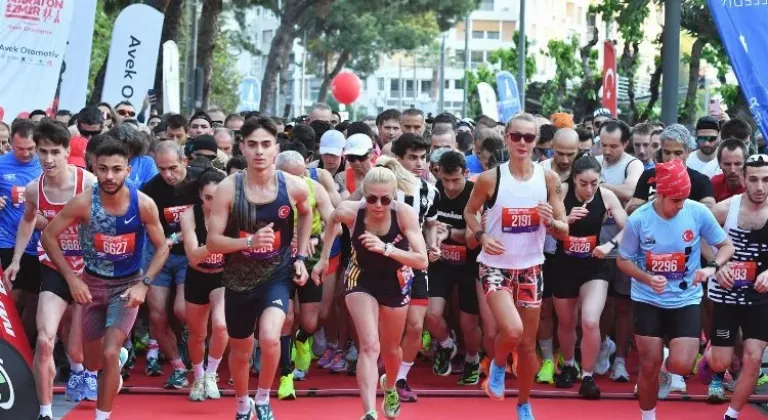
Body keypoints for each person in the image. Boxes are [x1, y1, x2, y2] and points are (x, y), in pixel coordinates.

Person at [40, 138, 169, 420]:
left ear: (128, 170)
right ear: (93, 169)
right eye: (103, 169)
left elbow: (162, 247)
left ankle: (102, 416)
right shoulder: (83, 202)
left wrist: (143, 284)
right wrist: (72, 280)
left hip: (126, 288)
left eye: (116, 169)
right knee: (90, 360)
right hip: (92, 285)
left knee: (109, 354)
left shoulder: (143, 204)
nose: (109, 176)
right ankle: (118, 361)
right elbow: (48, 235)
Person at [206, 116, 312, 420]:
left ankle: (263, 398)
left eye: (266, 145)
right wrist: (248, 242)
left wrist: (301, 256)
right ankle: (242, 403)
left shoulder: (292, 186)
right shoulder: (228, 189)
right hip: (238, 279)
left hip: (277, 274)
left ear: (276, 149)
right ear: (243, 147)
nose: (259, 151)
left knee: (269, 337)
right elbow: (213, 242)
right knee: (240, 351)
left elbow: (306, 214)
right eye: (252, 145)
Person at [464, 113, 569, 420]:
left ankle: (523, 403)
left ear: (537, 142)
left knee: (526, 346)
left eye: (529, 137)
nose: (523, 142)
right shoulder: (490, 178)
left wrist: (551, 221)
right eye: (517, 136)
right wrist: (482, 236)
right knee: (511, 329)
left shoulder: (548, 178)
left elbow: (563, 230)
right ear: (507, 137)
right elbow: (469, 214)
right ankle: (496, 364)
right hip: (495, 266)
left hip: (531, 267)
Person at [616, 159, 734, 420]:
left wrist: (711, 267)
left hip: (685, 298)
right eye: (675, 200)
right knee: (648, 366)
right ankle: (648, 416)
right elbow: (622, 260)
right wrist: (646, 278)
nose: (680, 205)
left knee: (682, 365)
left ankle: (667, 367)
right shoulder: (639, 219)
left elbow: (727, 246)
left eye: (684, 199)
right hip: (648, 298)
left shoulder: (697, 212)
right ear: (660, 193)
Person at [312, 165, 428, 420]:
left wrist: (385, 248)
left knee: (390, 350)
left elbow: (422, 260)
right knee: (369, 345)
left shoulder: (404, 215)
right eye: (372, 198)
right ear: (364, 195)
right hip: (360, 279)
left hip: (395, 281)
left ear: (394, 196)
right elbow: (332, 219)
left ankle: (389, 387)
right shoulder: (352, 212)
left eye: (385, 199)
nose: (378, 204)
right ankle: (369, 412)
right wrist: (323, 259)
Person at [2, 121, 97, 419]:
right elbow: (27, 221)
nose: (48, 158)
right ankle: (45, 412)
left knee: (77, 349)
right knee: (45, 340)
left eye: (55, 151)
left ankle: (100, 362)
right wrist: (17, 259)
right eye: (43, 152)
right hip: (54, 267)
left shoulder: (90, 183)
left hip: (88, 270)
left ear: (68, 152)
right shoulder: (34, 189)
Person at [551, 155, 627, 399]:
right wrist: (564, 221)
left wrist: (610, 245)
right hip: (564, 265)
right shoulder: (560, 192)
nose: (589, 188)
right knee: (566, 322)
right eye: (583, 183)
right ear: (574, 179)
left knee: (591, 321)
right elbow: (544, 226)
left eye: (594, 182)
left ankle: (588, 376)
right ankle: (568, 365)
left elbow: (629, 228)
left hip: (594, 264)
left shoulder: (606, 196)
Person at [705, 154, 768, 418]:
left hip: (761, 295)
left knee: (754, 357)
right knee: (721, 360)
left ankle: (731, 414)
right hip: (726, 292)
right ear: (742, 179)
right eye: (753, 179)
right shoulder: (726, 208)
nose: (760, 187)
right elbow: (697, 233)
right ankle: (714, 362)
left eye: (766, 180)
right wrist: (718, 263)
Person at [140, 140, 204, 387]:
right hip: (160, 255)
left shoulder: (200, 181)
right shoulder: (151, 189)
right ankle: (177, 366)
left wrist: (178, 236)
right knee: (157, 316)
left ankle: (196, 345)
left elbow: (212, 213)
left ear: (185, 162)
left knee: (181, 310)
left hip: (190, 253)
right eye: (161, 168)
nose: (167, 174)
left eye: (173, 168)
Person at [274, 150, 335, 399]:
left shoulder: (314, 188)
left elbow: (336, 223)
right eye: (291, 177)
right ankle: (286, 375)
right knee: (286, 318)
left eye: (301, 175)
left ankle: (302, 340)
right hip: (277, 260)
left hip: (308, 259)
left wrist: (317, 240)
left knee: (310, 322)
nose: (297, 182)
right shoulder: (268, 190)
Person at [425, 150, 481, 385]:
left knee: (469, 322)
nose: (449, 186)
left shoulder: (474, 194)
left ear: (466, 174)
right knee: (431, 314)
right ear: (437, 173)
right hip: (441, 262)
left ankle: (472, 359)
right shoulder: (432, 191)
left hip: (470, 264)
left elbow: (472, 238)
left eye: (455, 180)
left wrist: (448, 232)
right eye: (445, 180)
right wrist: (432, 244)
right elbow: (426, 225)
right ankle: (447, 345)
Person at [178, 168, 229, 402]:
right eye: (208, 198)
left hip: (222, 276)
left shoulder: (233, 213)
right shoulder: (189, 215)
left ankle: (211, 374)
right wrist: (217, 243)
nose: (213, 203)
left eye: (218, 198)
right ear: (200, 195)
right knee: (197, 334)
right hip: (197, 276)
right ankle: (198, 376)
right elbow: (193, 256)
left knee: (221, 325)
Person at [0, 120, 43, 343]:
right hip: (6, 240)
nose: (25, 153)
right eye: (20, 149)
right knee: (11, 296)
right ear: (11, 143)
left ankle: (22, 347)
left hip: (39, 244)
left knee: (34, 301)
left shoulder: (45, 165)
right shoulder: (1, 164)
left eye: (30, 149)